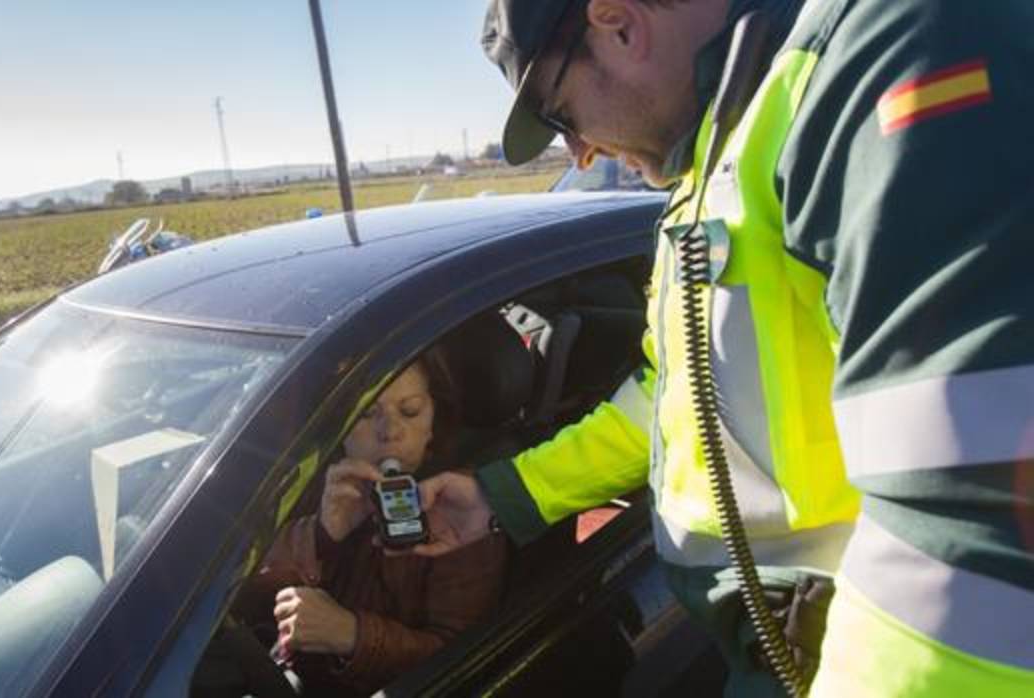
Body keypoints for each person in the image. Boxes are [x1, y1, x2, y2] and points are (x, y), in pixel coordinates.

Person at [414, 0, 1034, 696]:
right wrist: (506, 494)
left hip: (866, 657)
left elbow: (980, 513)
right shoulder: (714, 160)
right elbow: (673, 399)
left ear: (618, 23)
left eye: (560, 115)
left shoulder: (874, 57)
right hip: (776, 647)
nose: (579, 152)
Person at [244, 348, 507, 697]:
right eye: (367, 413)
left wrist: (351, 635)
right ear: (340, 426)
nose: (391, 431)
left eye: (410, 411)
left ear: (433, 421)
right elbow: (235, 598)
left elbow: (461, 658)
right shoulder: (315, 479)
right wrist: (320, 536)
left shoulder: (460, 508)